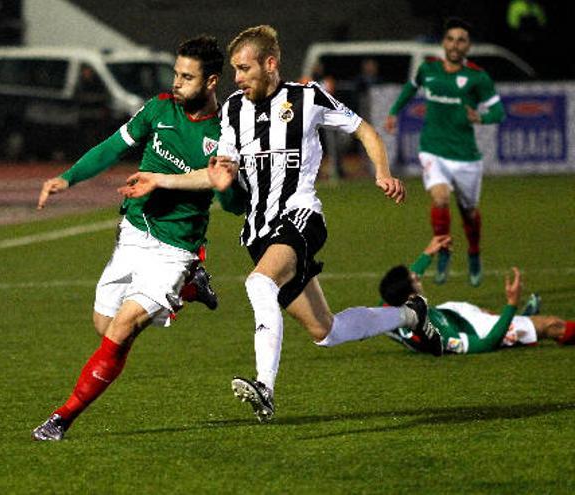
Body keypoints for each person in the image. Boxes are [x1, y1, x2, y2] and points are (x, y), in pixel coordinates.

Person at [119, 25, 441, 424]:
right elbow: (217, 173)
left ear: (270, 64)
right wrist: (160, 179)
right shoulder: (234, 110)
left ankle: (265, 388)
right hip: (260, 232)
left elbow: (364, 130)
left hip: (301, 216)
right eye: (235, 70)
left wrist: (382, 171)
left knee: (259, 283)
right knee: (326, 331)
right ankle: (412, 315)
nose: (236, 78)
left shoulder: (307, 98)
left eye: (243, 68)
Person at [30, 35, 225, 441]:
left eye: (187, 77)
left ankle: (60, 419)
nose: (177, 82)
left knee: (122, 329)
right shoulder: (158, 109)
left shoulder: (226, 131)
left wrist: (221, 183)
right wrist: (68, 177)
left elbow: (235, 199)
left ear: (210, 81)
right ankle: (191, 288)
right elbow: (112, 147)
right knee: (104, 325)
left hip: (176, 247)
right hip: (134, 232)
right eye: (176, 73)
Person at [384, 17, 506, 287]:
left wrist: (481, 118)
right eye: (450, 39)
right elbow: (411, 87)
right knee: (439, 199)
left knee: (469, 212)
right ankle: (443, 252)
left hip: (465, 155)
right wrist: (394, 111)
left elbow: (499, 111)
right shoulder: (428, 69)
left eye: (461, 40)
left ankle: (474, 253)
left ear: (468, 45)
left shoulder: (477, 77)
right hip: (432, 149)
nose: (455, 44)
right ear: (443, 42)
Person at [381, 235, 575, 354]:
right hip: (476, 331)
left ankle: (517, 320)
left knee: (485, 313)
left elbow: (393, 290)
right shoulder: (438, 336)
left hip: (451, 313)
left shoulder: (390, 309)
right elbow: (486, 344)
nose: (418, 277)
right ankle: (515, 324)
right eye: (414, 280)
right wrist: (511, 303)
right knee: (550, 325)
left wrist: (428, 254)